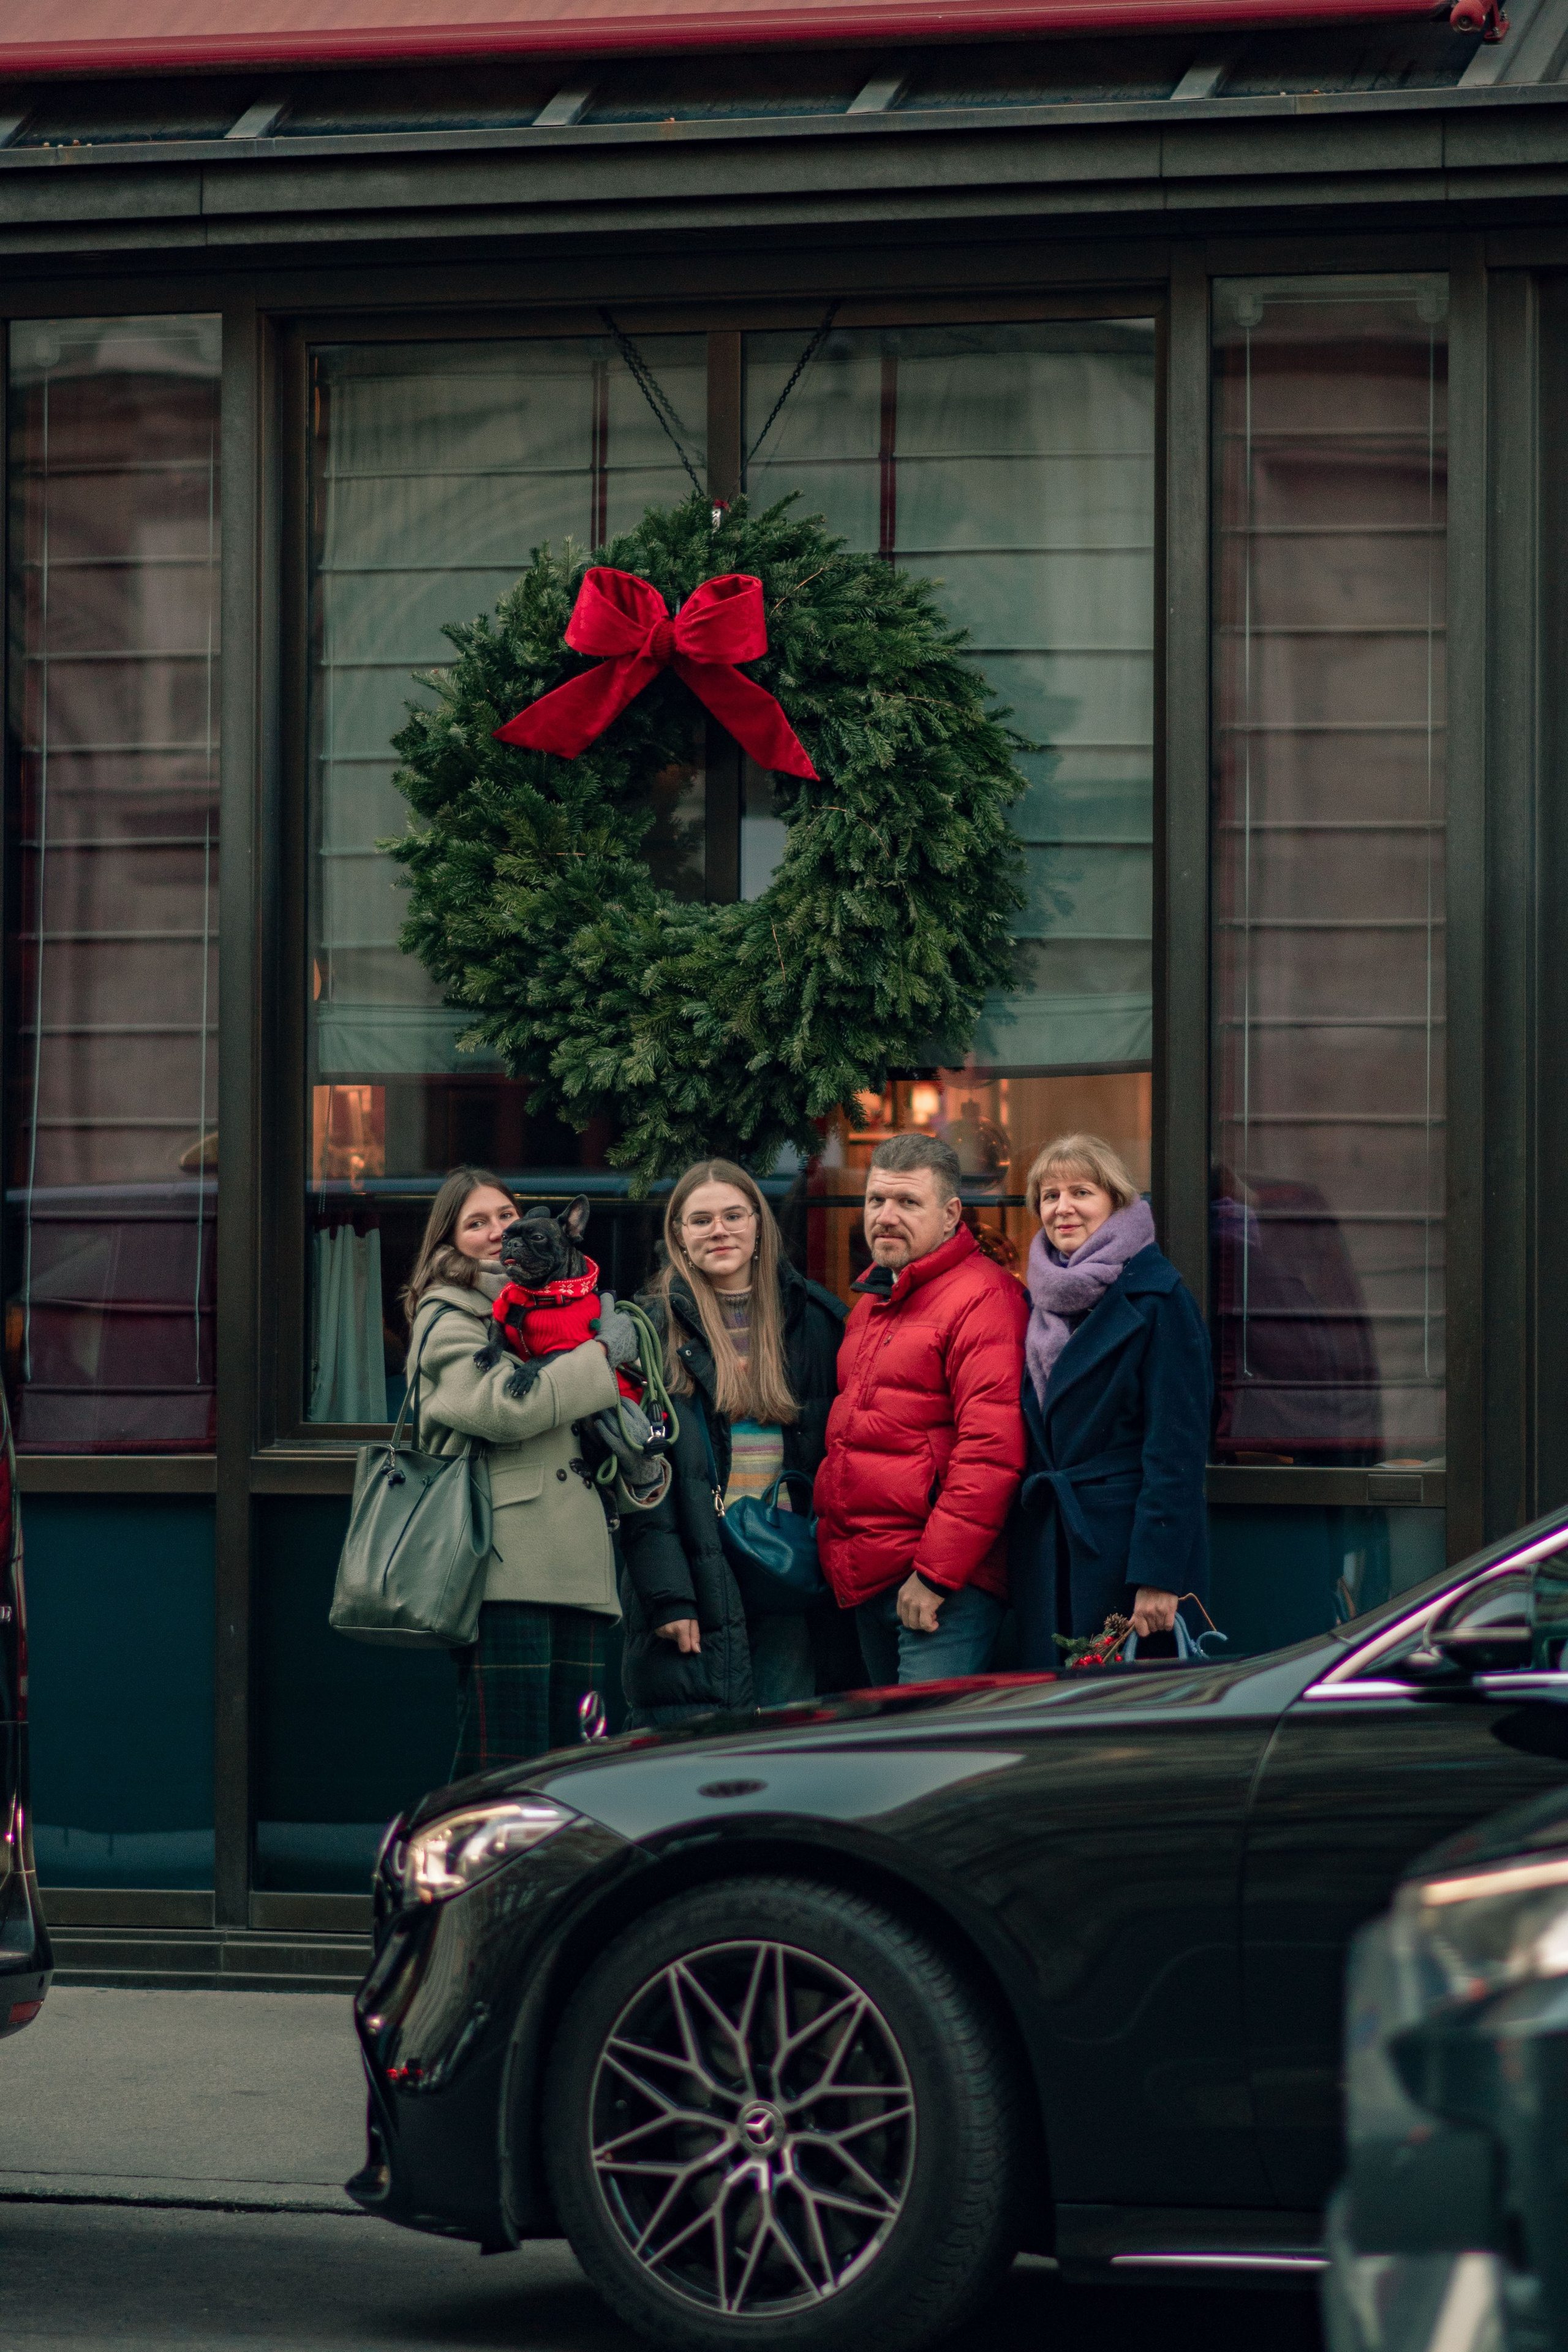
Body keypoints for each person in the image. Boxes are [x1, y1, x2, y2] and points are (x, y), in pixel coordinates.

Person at [402, 1167, 661, 1774]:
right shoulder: (449, 1316)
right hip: (507, 1569)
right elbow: (503, 1408)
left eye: (505, 1216)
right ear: (449, 1241)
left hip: (578, 1567)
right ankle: (482, 1873)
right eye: (476, 1223)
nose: (497, 1232)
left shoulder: (557, 1301)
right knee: (505, 1767)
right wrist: (599, 1357)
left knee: (573, 1768)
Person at [618, 1159, 846, 1722]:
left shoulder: (815, 1319)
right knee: (696, 1753)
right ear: (679, 1237)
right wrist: (669, 1596)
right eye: (700, 1221)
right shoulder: (648, 1329)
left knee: (787, 1742)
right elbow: (639, 1482)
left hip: (787, 1566)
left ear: (759, 1226)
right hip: (697, 1570)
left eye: (733, 1215)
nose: (718, 1230)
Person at [813, 1132, 1028, 1685]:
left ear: (952, 1213)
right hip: (870, 1577)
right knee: (889, 1754)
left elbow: (992, 1456)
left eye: (908, 1202)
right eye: (876, 1200)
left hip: (939, 1591)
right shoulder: (872, 1304)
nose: (886, 1216)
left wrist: (934, 1576)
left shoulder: (985, 1299)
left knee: (927, 1757)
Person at [1011, 1133, 1211, 1669]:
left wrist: (1158, 1577)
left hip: (1122, 1555)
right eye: (1049, 1196)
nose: (1062, 1208)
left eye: (1081, 1191)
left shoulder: (1160, 1298)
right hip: (1049, 1549)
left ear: (1116, 1202)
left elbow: (1176, 1452)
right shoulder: (1037, 1301)